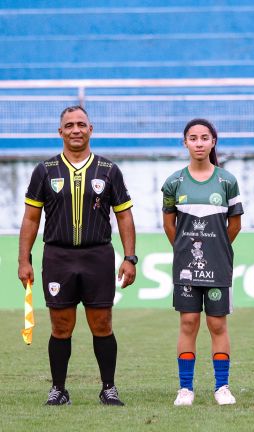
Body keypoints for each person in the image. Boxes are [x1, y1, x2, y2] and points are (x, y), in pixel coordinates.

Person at [18, 106, 136, 406]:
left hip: (98, 256)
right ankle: (58, 389)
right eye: (69, 125)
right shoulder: (44, 170)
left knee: (102, 324)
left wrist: (129, 257)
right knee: (60, 325)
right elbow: (31, 218)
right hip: (58, 257)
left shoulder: (109, 170)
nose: (75, 130)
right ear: (60, 132)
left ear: (90, 129)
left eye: (81, 124)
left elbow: (124, 216)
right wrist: (24, 260)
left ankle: (108, 388)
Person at [162, 118, 243, 406]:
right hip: (186, 266)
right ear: (185, 142)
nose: (199, 143)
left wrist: (215, 250)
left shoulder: (227, 181)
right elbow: (169, 225)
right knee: (188, 322)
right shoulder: (174, 182)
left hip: (218, 265)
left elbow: (234, 226)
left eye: (204, 138)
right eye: (193, 138)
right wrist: (186, 250)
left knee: (217, 325)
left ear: (213, 142)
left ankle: (222, 387)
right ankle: (186, 389)